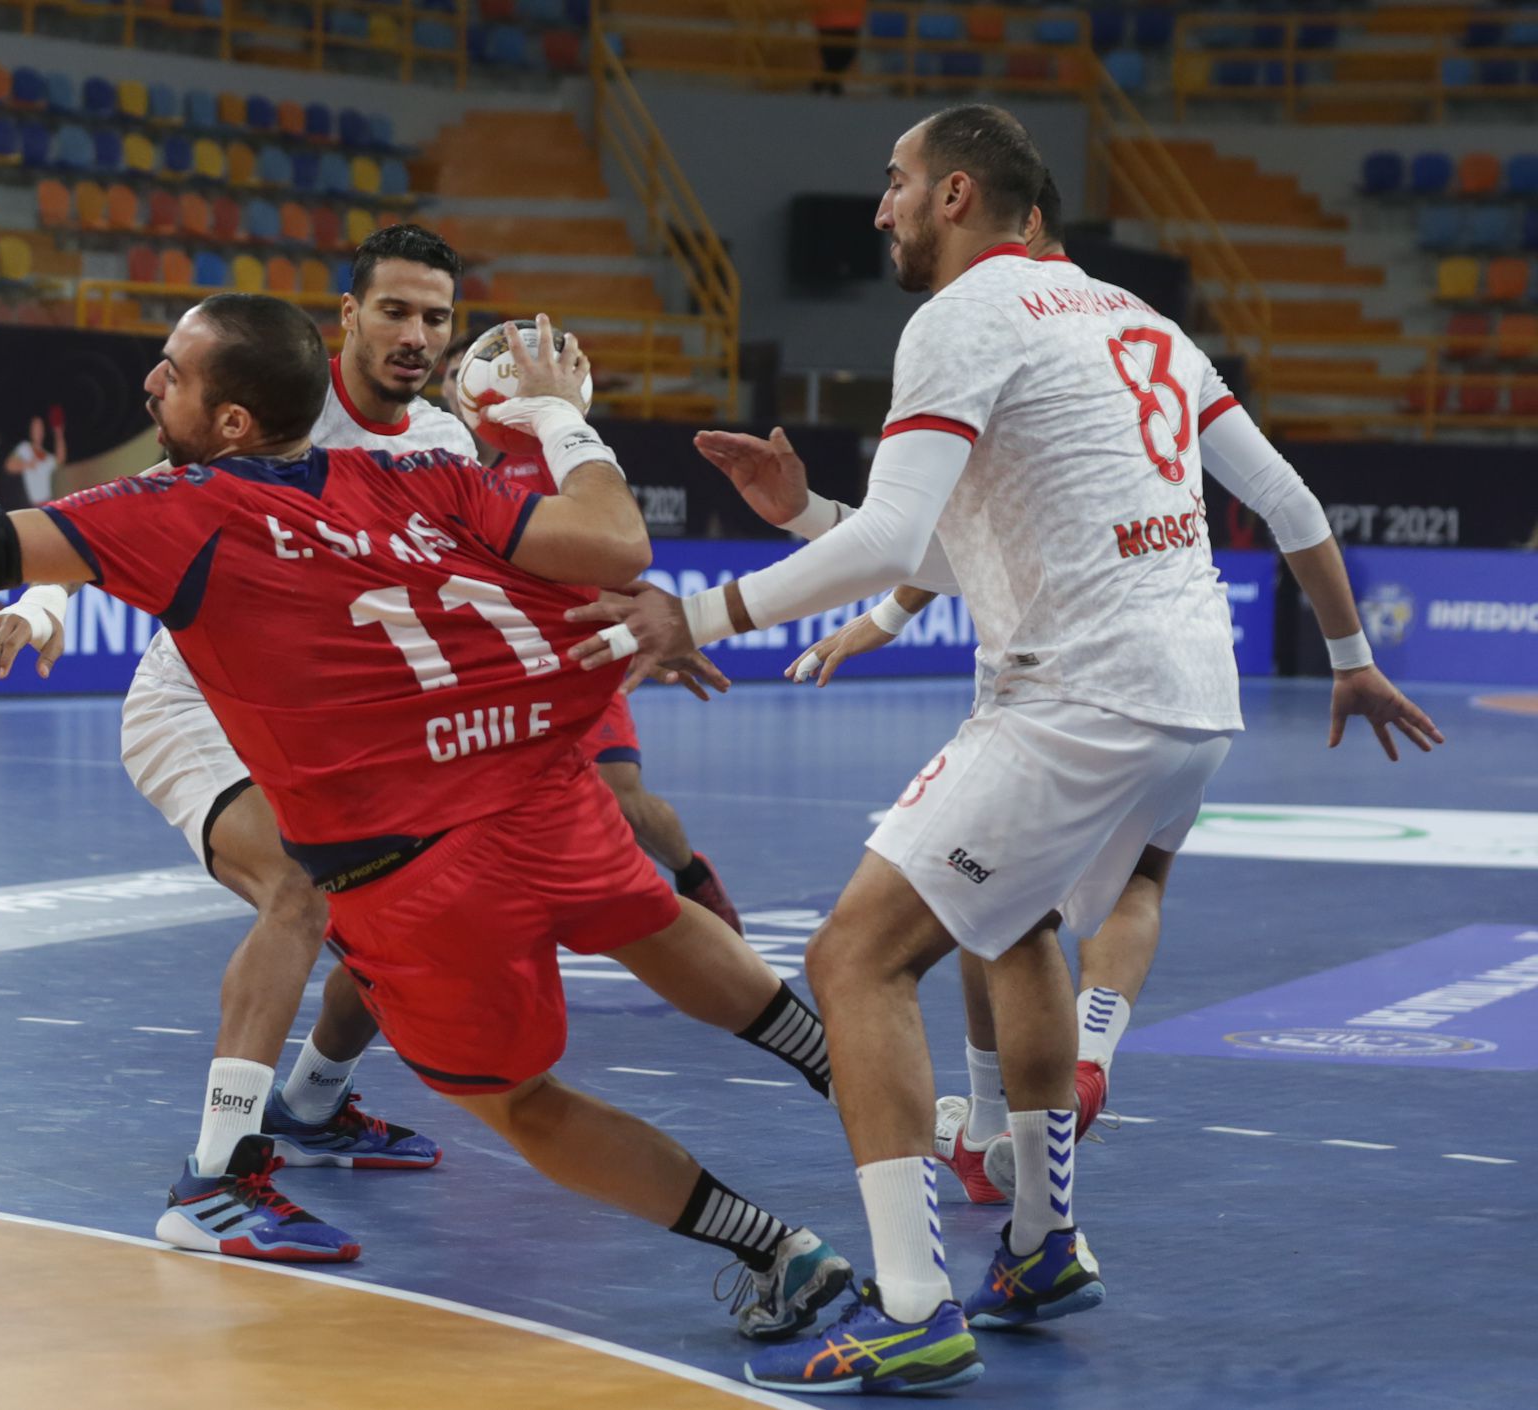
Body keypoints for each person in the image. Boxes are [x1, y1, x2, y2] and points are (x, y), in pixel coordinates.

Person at [0, 294, 855, 1341]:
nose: (149, 376)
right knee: (650, 921)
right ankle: (880, 1099)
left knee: (515, 1101)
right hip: (535, 795)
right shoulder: (416, 472)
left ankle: (774, 1251)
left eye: (172, 367)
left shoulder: (174, 512)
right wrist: (553, 418)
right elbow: (609, 541)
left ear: (226, 419)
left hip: (418, 876)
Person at [567, 106, 1441, 1394]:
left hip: (1075, 697)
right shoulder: (1133, 318)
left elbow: (888, 550)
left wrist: (693, 612)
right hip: (1193, 700)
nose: (879, 209)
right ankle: (1040, 1244)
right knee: (1004, 927)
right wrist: (1350, 651)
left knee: (852, 956)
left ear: (958, 195)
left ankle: (912, 1305)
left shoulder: (960, 318)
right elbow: (1247, 506)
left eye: (896, 183)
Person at [0, 227, 483, 1262]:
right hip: (198, 708)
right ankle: (212, 1184)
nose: (414, 335)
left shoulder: (447, 448)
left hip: (331, 726)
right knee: (303, 890)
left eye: (434, 317)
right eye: (393, 310)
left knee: (424, 901)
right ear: (346, 315)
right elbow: (113, 521)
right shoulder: (272, 401)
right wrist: (45, 611)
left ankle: (313, 1105)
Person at [440, 329, 745, 935]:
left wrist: (648, 622)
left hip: (580, 653)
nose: (459, 386)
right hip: (499, 671)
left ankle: (690, 873)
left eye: (465, 372)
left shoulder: (567, 462)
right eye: (451, 379)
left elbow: (610, 555)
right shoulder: (460, 473)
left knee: (622, 798)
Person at [2, 411, 67, 505]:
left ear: (44, 431)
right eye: (35, 427)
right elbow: (8, 466)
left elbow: (60, 460)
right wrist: (26, 464)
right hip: (34, 505)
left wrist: (59, 434)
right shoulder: (24, 448)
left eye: (40, 427)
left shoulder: (47, 456)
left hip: (50, 503)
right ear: (31, 430)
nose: (38, 430)